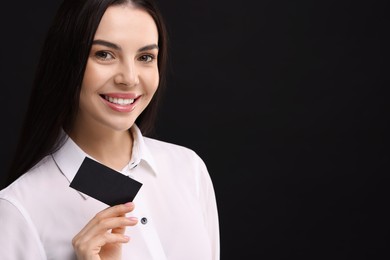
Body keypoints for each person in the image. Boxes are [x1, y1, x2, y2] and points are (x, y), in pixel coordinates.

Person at [0, 0, 220, 259]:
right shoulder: (19, 208)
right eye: (104, 54)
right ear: (66, 61)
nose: (129, 78)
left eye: (145, 57)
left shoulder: (189, 169)